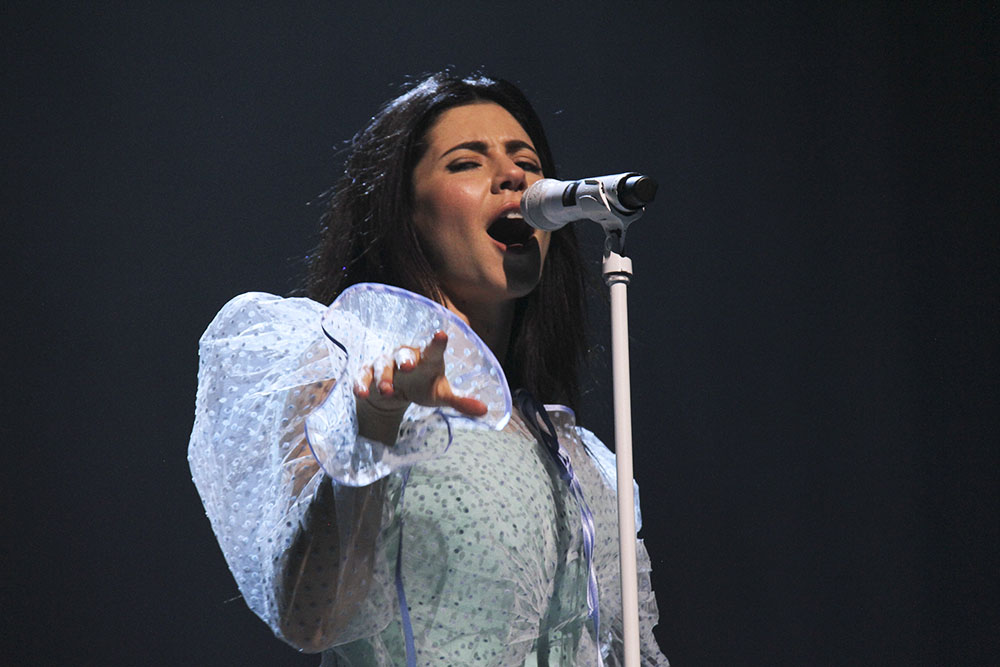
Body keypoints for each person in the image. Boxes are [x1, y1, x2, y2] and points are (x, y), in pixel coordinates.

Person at [189, 72, 668, 666]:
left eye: (528, 160)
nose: (516, 177)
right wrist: (374, 427)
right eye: (466, 163)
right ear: (404, 212)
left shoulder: (580, 454)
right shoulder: (338, 365)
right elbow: (308, 616)